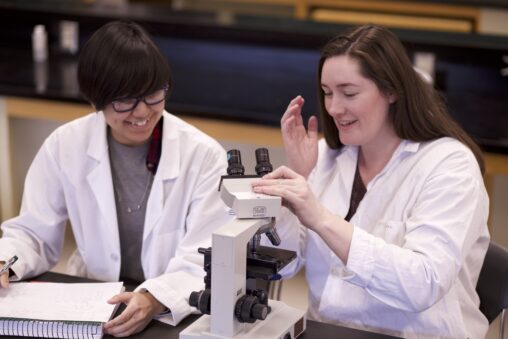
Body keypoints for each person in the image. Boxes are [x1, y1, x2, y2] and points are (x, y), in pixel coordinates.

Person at [252, 24, 490, 339]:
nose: (334, 108)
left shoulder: (449, 166)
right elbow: (281, 268)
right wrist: (299, 178)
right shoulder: (323, 158)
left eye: (349, 93)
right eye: (326, 93)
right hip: (327, 332)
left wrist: (321, 218)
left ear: (392, 91)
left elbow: (423, 284)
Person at [0, 20, 231, 336]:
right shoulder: (65, 145)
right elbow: (33, 232)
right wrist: (5, 263)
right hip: (95, 302)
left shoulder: (203, 157)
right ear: (95, 98)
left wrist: (154, 298)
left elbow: (205, 258)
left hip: (171, 310)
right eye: (125, 100)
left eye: (153, 94)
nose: (142, 112)